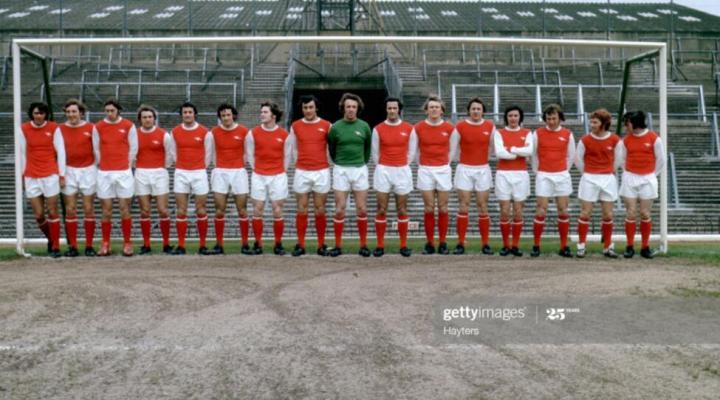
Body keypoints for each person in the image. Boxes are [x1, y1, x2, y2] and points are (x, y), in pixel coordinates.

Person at [327, 93, 372, 257]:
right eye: (348, 107)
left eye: (354, 106)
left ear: (358, 108)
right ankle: (338, 246)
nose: (351, 109)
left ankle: (363, 245)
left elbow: (367, 149)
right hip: (341, 170)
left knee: (362, 209)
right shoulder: (335, 127)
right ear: (343, 108)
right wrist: (340, 162)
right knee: (340, 209)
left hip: (359, 169)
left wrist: (360, 162)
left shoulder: (364, 126)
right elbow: (332, 149)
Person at [245, 101, 293, 255]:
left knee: (277, 210)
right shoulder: (253, 133)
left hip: (278, 175)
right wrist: (258, 169)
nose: (262, 114)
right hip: (259, 175)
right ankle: (258, 244)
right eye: (261, 112)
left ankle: (278, 244)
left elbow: (287, 157)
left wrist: (279, 171)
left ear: (273, 115)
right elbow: (250, 155)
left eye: (265, 112)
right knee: (257, 209)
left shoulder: (284, 135)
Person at [617, 111, 666, 259]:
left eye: (627, 123)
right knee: (631, 212)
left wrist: (651, 175)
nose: (625, 126)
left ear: (635, 123)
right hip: (630, 178)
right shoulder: (625, 140)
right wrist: (630, 172)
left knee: (645, 213)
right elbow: (622, 160)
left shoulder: (653, 138)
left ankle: (645, 247)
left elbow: (661, 160)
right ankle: (629, 246)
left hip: (648, 179)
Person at [574, 108, 622, 258]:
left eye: (595, 122)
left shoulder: (615, 140)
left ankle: (607, 246)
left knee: (608, 214)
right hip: (589, 178)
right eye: (591, 122)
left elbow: (618, 159)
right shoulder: (585, 140)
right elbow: (577, 159)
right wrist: (588, 172)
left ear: (604, 123)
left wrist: (608, 171)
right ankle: (581, 245)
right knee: (585, 212)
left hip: (607, 178)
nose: (592, 125)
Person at [371, 97, 416, 257]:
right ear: (386, 109)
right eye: (389, 108)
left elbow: (412, 152)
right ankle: (380, 245)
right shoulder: (378, 129)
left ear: (399, 109)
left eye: (394, 108)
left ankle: (403, 245)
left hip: (402, 170)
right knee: (381, 209)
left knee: (402, 209)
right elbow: (375, 153)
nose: (391, 111)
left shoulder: (409, 128)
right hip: (383, 170)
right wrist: (385, 165)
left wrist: (401, 164)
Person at [451, 97, 495, 255]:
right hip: (464, 168)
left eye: (479, 109)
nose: (476, 111)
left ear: (483, 111)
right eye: (473, 109)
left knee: (483, 206)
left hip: (482, 169)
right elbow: (454, 148)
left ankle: (485, 244)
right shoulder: (460, 126)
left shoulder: (490, 126)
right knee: (464, 205)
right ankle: (460, 243)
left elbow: (493, 148)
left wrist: (482, 159)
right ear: (469, 111)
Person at [93, 99, 138, 256]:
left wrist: (126, 165)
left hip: (123, 173)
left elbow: (133, 148)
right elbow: (96, 148)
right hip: (104, 173)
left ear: (118, 110)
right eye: (107, 111)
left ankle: (127, 243)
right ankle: (105, 243)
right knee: (106, 210)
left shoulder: (128, 125)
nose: (109, 113)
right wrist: (102, 164)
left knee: (124, 209)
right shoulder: (98, 127)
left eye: (112, 110)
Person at [413, 95, 457, 255]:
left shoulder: (450, 128)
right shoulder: (418, 127)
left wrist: (444, 163)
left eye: (437, 107)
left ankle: (443, 243)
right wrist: (423, 164)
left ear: (442, 110)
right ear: (426, 110)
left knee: (443, 207)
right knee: (429, 207)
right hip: (425, 170)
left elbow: (453, 150)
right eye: (431, 107)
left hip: (443, 170)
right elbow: (414, 151)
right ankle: (430, 243)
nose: (434, 109)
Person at [289, 95, 333, 257]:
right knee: (301, 209)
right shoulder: (295, 126)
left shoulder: (327, 125)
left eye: (310, 107)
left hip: (321, 171)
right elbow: (293, 148)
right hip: (302, 171)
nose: (308, 110)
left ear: (316, 108)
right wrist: (299, 163)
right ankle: (300, 244)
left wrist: (326, 163)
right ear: (302, 109)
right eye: (305, 108)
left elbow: (331, 147)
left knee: (320, 209)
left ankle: (321, 245)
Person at [167, 102, 213, 255]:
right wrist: (182, 165)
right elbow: (173, 152)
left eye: (190, 112)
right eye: (185, 112)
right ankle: (181, 246)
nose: (187, 114)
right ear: (181, 114)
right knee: (181, 210)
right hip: (181, 172)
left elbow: (208, 154)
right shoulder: (175, 132)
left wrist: (199, 167)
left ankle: (202, 245)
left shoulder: (205, 132)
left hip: (199, 172)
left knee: (201, 209)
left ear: (195, 114)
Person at [20, 102, 64, 258]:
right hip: (31, 175)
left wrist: (62, 174)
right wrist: (22, 175)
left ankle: (56, 246)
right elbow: (22, 153)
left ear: (46, 114)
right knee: (39, 215)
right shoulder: (24, 128)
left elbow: (61, 152)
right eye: (36, 113)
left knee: (52, 211)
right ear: (31, 114)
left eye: (41, 113)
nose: (39, 116)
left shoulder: (54, 128)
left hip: (50, 174)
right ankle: (51, 239)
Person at [531, 104, 575, 258]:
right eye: (548, 118)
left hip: (561, 175)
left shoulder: (568, 134)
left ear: (559, 118)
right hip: (544, 175)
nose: (551, 121)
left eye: (554, 118)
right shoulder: (537, 133)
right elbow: (534, 155)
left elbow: (571, 156)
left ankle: (564, 246)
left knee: (563, 209)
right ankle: (536, 245)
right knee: (541, 209)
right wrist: (538, 171)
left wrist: (562, 170)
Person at [58, 99, 98, 257]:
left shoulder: (91, 128)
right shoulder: (60, 129)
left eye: (74, 111)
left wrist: (95, 168)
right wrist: (61, 173)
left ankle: (89, 246)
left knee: (88, 208)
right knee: (70, 209)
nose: (71, 114)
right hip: (69, 170)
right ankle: (73, 247)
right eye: (68, 112)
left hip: (88, 170)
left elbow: (97, 150)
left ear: (81, 112)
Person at [209, 103, 251, 255]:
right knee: (219, 210)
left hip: (238, 171)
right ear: (220, 117)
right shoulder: (214, 132)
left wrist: (240, 164)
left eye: (228, 115)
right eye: (223, 115)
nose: (226, 118)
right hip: (220, 171)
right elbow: (210, 151)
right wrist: (218, 166)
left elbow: (248, 152)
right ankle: (219, 245)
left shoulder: (244, 131)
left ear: (233, 115)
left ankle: (245, 244)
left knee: (242, 210)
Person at [134, 105, 173, 255]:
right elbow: (131, 153)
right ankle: (146, 244)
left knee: (163, 210)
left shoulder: (163, 134)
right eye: (144, 117)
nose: (147, 119)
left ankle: (166, 244)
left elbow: (169, 154)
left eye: (150, 117)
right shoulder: (134, 134)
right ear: (140, 119)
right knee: (145, 211)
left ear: (154, 119)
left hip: (159, 173)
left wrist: (161, 167)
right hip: (141, 173)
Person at [494, 105, 532, 257]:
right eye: (510, 116)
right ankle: (505, 245)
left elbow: (529, 151)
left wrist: (511, 149)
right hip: (503, 174)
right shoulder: (499, 133)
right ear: (506, 117)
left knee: (518, 210)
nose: (513, 118)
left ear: (520, 117)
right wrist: (519, 152)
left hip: (521, 174)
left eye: (516, 115)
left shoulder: (527, 133)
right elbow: (499, 153)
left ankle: (515, 245)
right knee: (504, 210)